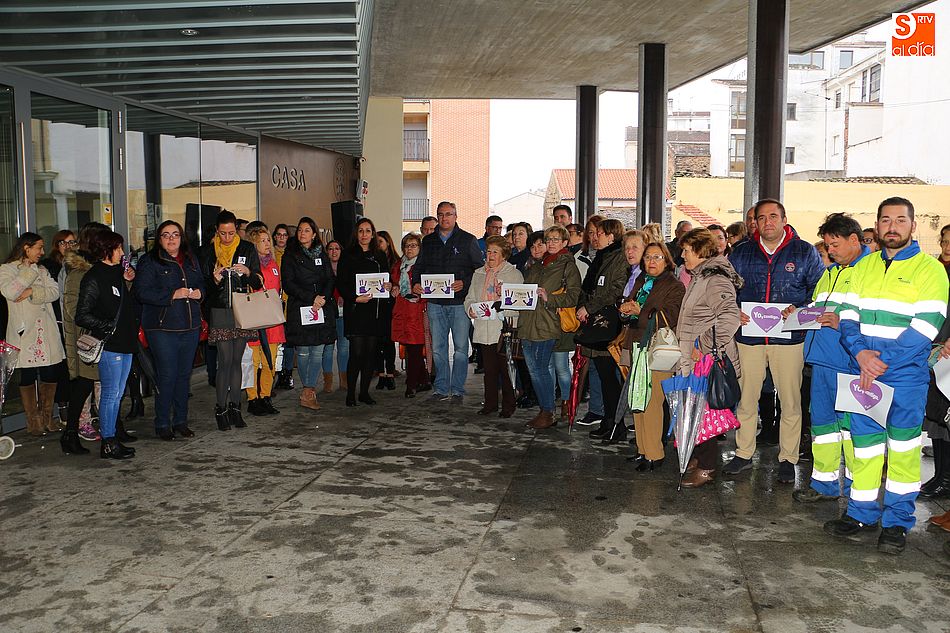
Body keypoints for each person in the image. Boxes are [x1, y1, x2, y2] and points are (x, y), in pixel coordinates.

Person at [824, 197, 949, 555]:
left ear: (912, 226)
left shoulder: (930, 270)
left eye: (900, 220)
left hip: (903, 378)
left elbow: (926, 326)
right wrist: (861, 354)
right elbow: (846, 315)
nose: (892, 226)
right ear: (876, 226)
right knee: (862, 449)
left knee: (904, 451)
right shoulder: (861, 269)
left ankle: (896, 522)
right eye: (885, 220)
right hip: (860, 373)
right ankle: (861, 512)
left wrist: (880, 362)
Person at [724, 199, 824, 483]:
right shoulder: (741, 252)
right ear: (754, 221)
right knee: (746, 399)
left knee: (791, 400)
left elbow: (820, 294)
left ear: (784, 219)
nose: (767, 222)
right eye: (761, 217)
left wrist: (801, 311)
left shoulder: (804, 252)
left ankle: (788, 458)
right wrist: (734, 311)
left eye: (773, 216)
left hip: (789, 338)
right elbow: (726, 290)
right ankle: (743, 453)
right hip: (749, 338)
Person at [791, 213, 870, 503]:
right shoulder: (831, 272)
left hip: (849, 361)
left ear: (854, 240)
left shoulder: (869, 271)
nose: (830, 251)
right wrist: (799, 313)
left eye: (834, 244)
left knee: (851, 428)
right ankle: (823, 485)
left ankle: (856, 490)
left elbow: (872, 315)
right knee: (823, 426)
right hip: (823, 360)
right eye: (827, 245)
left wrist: (842, 322)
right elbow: (818, 306)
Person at [675, 228, 743, 487]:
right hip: (695, 358)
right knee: (694, 409)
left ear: (701, 251)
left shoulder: (714, 279)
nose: (682, 256)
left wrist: (702, 344)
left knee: (704, 412)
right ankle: (699, 457)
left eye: (687, 251)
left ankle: (707, 467)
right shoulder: (700, 276)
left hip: (706, 360)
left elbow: (730, 317)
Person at [133, 220, 204, 440]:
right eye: (166, 235)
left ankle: (180, 421)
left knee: (184, 376)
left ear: (182, 237)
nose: (172, 239)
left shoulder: (191, 259)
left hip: (190, 326)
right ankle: (162, 423)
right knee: (167, 376)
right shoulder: (149, 261)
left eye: (175, 234)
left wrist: (200, 293)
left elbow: (202, 283)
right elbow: (141, 292)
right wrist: (171, 295)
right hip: (162, 328)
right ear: (159, 239)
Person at [75, 230, 139, 460]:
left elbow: (121, 304)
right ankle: (109, 442)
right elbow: (81, 315)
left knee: (118, 392)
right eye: (118, 248)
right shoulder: (94, 277)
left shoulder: (117, 273)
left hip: (126, 341)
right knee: (111, 394)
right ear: (106, 250)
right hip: (111, 344)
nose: (122, 252)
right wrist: (107, 327)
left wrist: (128, 282)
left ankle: (112, 438)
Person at [622, 242, 685, 470]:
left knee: (652, 401)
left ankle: (655, 454)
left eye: (657, 257)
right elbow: (632, 312)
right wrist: (625, 310)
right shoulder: (642, 282)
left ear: (667, 260)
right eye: (648, 257)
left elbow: (671, 316)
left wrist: (641, 311)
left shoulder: (675, 286)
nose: (651, 261)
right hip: (636, 345)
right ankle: (642, 449)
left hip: (658, 350)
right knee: (637, 401)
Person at [412, 201, 483, 402]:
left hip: (459, 303)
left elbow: (479, 270)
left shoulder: (468, 240)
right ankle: (441, 388)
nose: (445, 218)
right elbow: (419, 267)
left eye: (449, 214)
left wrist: (464, 282)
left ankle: (458, 389)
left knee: (461, 348)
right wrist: (416, 283)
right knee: (437, 348)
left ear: (456, 216)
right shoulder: (429, 241)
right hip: (435, 303)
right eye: (441, 214)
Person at [199, 210, 262, 431]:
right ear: (217, 231)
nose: (227, 238)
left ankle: (236, 408)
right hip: (219, 310)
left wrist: (247, 272)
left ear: (237, 230)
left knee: (237, 360)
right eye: (223, 233)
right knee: (224, 361)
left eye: (231, 233)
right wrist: (213, 280)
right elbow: (202, 287)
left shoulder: (246, 248)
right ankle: (221, 408)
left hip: (242, 309)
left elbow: (258, 280)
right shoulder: (206, 252)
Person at [0, 232, 66, 436]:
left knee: (49, 373)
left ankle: (47, 418)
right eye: (39, 247)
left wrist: (31, 293)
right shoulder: (7, 269)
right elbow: (10, 292)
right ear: (27, 248)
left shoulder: (43, 269)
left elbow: (54, 292)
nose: (42, 252)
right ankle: (33, 421)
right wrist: (28, 274)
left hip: (45, 330)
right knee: (27, 375)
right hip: (24, 331)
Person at [519, 226, 582, 429]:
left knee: (540, 370)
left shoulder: (567, 266)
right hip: (528, 323)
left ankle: (548, 411)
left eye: (556, 239)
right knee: (534, 369)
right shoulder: (538, 265)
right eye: (549, 239)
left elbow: (574, 295)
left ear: (565, 243)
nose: (552, 242)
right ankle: (546, 410)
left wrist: (550, 298)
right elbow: (526, 292)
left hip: (547, 324)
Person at [578, 218, 629, 443]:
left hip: (608, 325)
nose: (594, 237)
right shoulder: (602, 257)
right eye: (593, 233)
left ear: (612, 236)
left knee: (610, 378)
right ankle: (609, 422)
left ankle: (616, 425)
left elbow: (615, 290)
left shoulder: (618, 259)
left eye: (599, 233)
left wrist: (589, 307)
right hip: (596, 323)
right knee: (604, 376)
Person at [60, 223, 109, 453]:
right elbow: (72, 308)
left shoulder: (101, 268)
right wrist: (96, 320)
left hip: (100, 336)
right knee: (84, 385)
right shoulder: (78, 272)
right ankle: (72, 431)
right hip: (86, 340)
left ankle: (110, 428)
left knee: (100, 384)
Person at [465, 235, 524, 417]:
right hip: (483, 328)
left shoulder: (513, 274)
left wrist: (502, 303)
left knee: (506, 370)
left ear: (504, 255)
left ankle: (509, 405)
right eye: (488, 251)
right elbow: (470, 299)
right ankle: (490, 404)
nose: (490, 255)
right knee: (489, 370)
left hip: (503, 328)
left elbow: (518, 304)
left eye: (495, 252)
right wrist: (470, 310)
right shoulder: (478, 273)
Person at [281, 217, 335, 411]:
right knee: (303, 352)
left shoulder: (322, 254)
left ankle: (308, 390)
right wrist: (311, 297)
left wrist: (322, 298)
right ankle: (308, 390)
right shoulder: (290, 255)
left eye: (306, 230)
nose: (302, 233)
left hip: (321, 306)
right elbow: (288, 284)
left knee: (318, 350)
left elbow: (330, 278)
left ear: (314, 234)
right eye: (300, 230)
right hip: (301, 306)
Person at [337, 217, 392, 406]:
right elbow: (341, 282)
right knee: (356, 353)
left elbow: (387, 278)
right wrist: (354, 297)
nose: (364, 235)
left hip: (375, 310)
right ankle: (350, 393)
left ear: (373, 233)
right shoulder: (348, 254)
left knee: (370, 354)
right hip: (356, 309)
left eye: (368, 231)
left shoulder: (380, 255)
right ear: (356, 233)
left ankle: (364, 392)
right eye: (361, 231)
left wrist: (388, 284)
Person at [240, 226, 286, 416]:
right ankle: (253, 398)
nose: (268, 244)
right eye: (263, 241)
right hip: (254, 320)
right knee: (253, 361)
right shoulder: (249, 268)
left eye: (269, 240)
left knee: (270, 362)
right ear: (254, 244)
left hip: (272, 321)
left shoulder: (274, 265)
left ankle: (265, 396)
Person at [40, 229, 75, 426]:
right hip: (55, 322)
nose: (67, 246)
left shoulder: (78, 264)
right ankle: (62, 405)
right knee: (61, 367)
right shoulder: (49, 266)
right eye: (63, 242)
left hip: (72, 322)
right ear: (56, 245)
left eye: (71, 242)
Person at [391, 233, 427, 398]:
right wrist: (393, 287)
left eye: (413, 245)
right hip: (402, 310)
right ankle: (424, 379)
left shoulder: (424, 265)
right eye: (407, 245)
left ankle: (411, 384)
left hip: (418, 310)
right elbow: (394, 283)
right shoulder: (398, 265)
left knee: (415, 348)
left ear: (419, 248)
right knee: (410, 347)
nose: (410, 249)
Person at [375, 230, 399, 390]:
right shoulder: (372, 260)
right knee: (377, 341)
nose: (377, 245)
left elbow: (400, 283)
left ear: (388, 243)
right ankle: (380, 375)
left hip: (391, 305)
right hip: (375, 305)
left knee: (389, 341)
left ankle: (390, 373)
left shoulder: (396, 262)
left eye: (380, 242)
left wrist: (394, 285)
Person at [324, 240, 349, 392]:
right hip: (328, 313)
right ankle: (328, 381)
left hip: (344, 313)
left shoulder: (347, 268)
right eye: (331, 249)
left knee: (344, 347)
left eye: (337, 248)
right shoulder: (322, 269)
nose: (334, 251)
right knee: (327, 347)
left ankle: (344, 379)